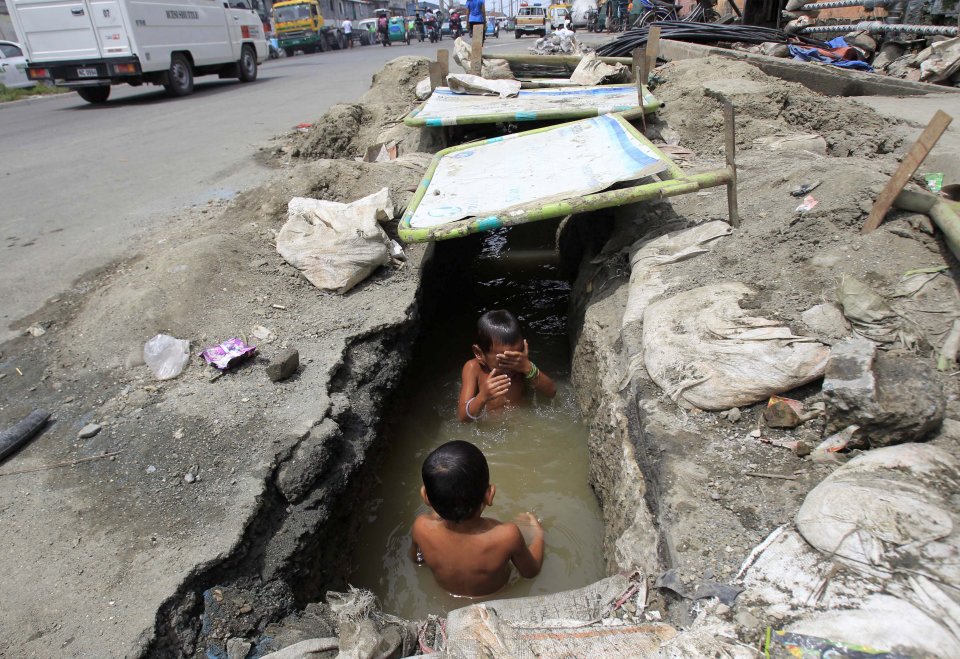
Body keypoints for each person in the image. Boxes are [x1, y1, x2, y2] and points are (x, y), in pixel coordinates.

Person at [411, 440, 545, 596]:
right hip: (497, 596)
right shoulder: (507, 535)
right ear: (489, 495)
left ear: (425, 497)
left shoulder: (421, 527)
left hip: (446, 593)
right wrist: (538, 535)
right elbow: (530, 572)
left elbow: (417, 559)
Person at [458, 309, 557, 423]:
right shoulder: (474, 368)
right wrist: (482, 397)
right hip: (491, 428)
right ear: (479, 353)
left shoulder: (521, 366)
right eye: (503, 360)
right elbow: (462, 418)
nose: (512, 365)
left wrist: (528, 367)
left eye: (516, 357)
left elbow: (551, 392)